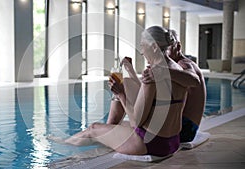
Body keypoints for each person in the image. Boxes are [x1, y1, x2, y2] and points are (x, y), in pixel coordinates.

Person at [62, 26, 188, 156]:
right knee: (118, 125)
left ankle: (63, 145)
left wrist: (120, 94)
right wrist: (130, 71)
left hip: (150, 144)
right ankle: (97, 138)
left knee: (93, 128)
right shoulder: (178, 70)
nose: (142, 52)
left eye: (143, 46)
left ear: (154, 47)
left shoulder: (152, 75)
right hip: (172, 142)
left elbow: (136, 122)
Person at [142, 29, 206, 143]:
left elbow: (195, 80)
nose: (165, 51)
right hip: (187, 127)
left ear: (178, 46)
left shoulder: (184, 64)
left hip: (185, 130)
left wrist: (161, 72)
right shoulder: (177, 67)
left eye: (169, 47)